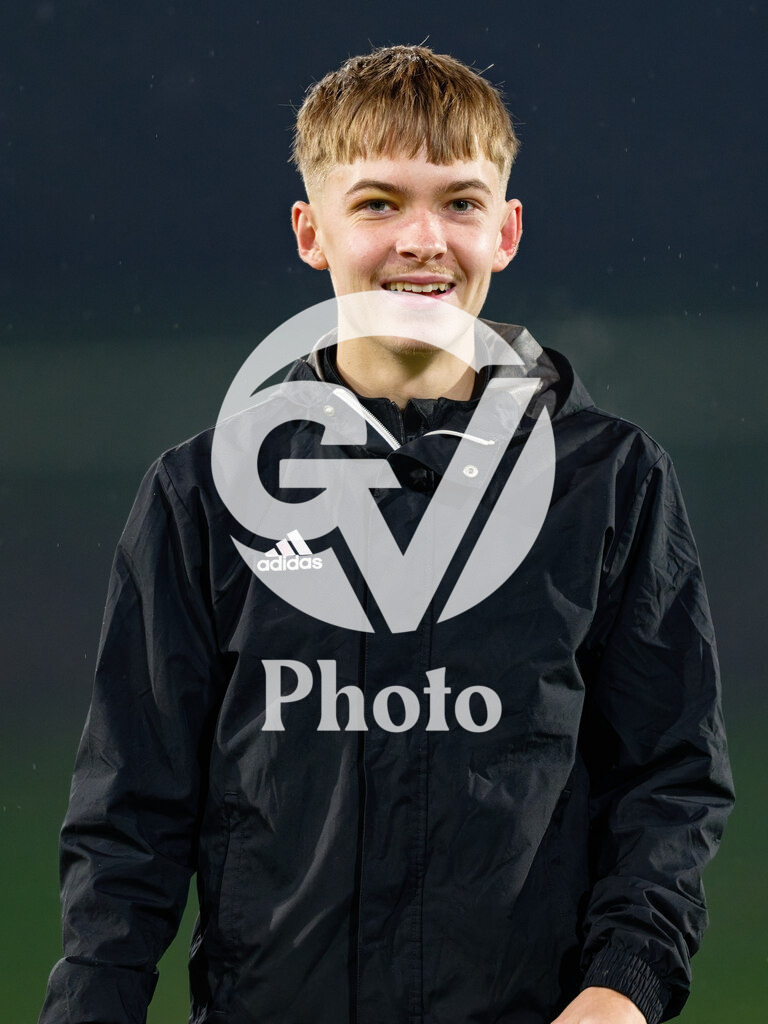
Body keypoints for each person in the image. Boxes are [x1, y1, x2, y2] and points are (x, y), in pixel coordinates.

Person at [39, 44, 734, 1024]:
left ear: (508, 229)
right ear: (310, 230)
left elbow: (669, 778)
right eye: (377, 203)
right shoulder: (204, 495)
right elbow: (130, 818)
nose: (422, 239)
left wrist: (625, 986)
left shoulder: (611, 483)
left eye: (459, 202)